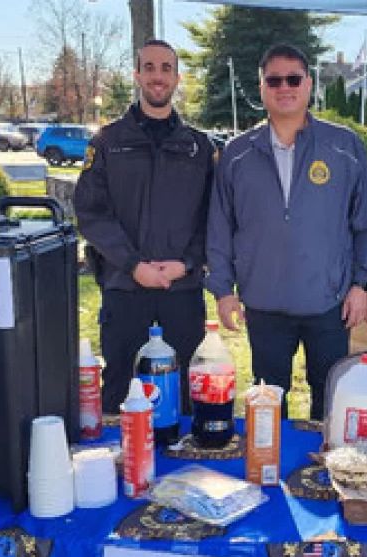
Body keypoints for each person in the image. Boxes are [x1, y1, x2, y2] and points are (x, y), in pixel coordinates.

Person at [206, 43, 367, 421]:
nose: (284, 87)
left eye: (293, 79)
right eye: (274, 80)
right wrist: (222, 290)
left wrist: (362, 285)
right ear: (262, 87)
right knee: (268, 402)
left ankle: (327, 471)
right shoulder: (237, 153)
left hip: (329, 302)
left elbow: (366, 220)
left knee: (330, 398)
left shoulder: (344, 146)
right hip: (265, 304)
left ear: (309, 83)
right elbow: (220, 226)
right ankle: (271, 472)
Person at [74, 39, 214, 414]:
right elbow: (90, 211)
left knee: (185, 387)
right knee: (121, 385)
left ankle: (183, 465)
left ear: (177, 78)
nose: (158, 76)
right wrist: (134, 264)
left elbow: (212, 217)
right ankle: (121, 466)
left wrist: (186, 263)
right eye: (149, 67)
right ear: (137, 75)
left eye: (166, 68)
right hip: (125, 287)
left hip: (181, 289)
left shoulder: (198, 147)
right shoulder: (108, 142)